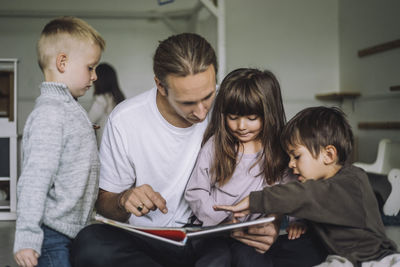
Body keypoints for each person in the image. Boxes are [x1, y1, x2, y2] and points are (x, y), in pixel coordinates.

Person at [71, 33, 325, 267]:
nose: (203, 113)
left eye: (207, 96)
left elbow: (282, 174)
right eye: (188, 103)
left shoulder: (230, 107)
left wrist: (273, 221)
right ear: (160, 85)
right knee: (90, 243)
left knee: (312, 242)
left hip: (214, 236)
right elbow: (106, 203)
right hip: (154, 240)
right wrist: (124, 199)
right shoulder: (125, 120)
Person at [215, 106, 400, 267]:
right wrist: (303, 223)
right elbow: (322, 208)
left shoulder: (352, 181)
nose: (290, 164)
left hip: (374, 258)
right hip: (341, 256)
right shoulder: (322, 184)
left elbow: (307, 195)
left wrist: (255, 200)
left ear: (328, 155)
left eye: (296, 156)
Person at [184, 67, 308, 263]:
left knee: (251, 260)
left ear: (269, 114)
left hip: (252, 234)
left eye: (251, 118)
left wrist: (297, 221)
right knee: (216, 259)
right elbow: (195, 191)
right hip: (213, 230)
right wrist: (223, 221)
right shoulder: (215, 146)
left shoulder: (279, 151)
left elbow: (290, 192)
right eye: (233, 118)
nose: (241, 126)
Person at [13, 17, 105, 267]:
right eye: (90, 67)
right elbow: (35, 177)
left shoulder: (68, 108)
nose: (95, 76)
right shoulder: (51, 114)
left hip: (72, 231)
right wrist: (27, 238)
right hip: (52, 233)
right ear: (62, 62)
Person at [88, 63, 126, 147]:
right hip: (119, 145)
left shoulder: (101, 100)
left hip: (104, 147)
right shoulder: (119, 97)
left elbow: (88, 122)